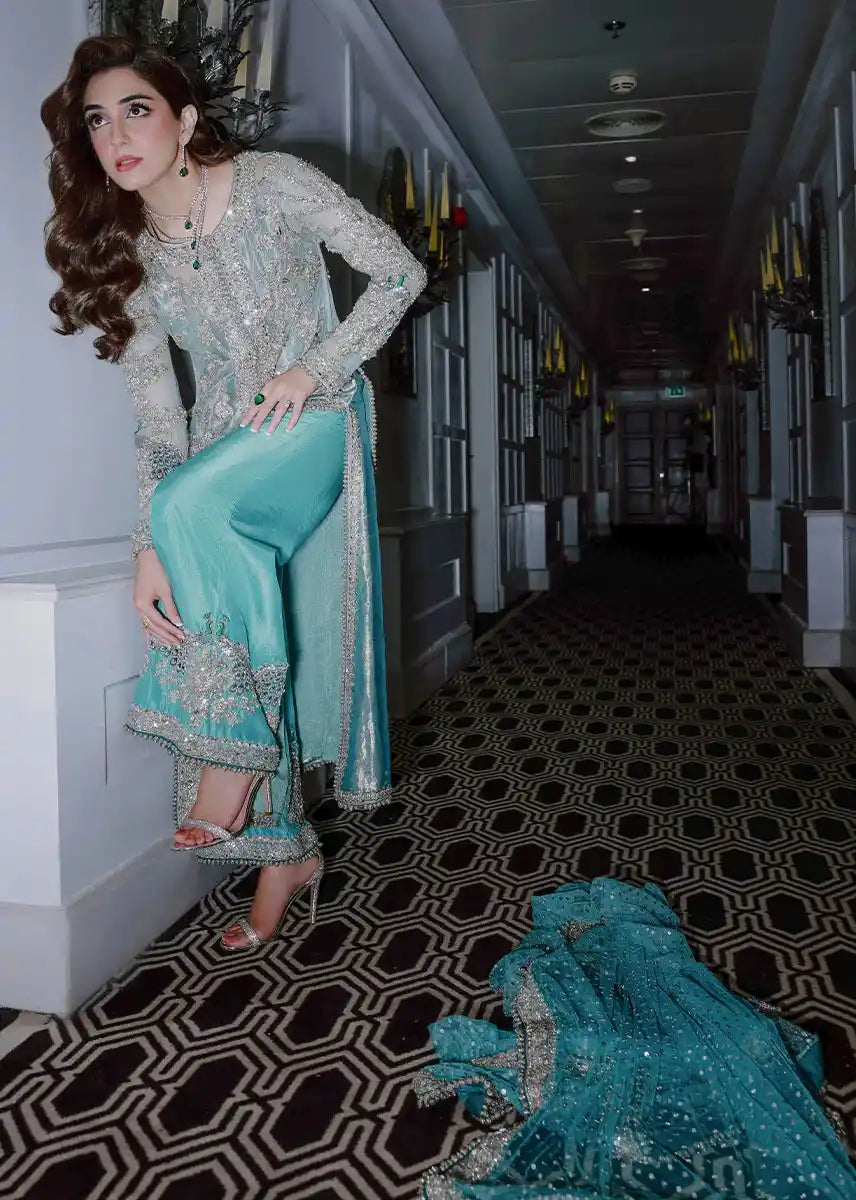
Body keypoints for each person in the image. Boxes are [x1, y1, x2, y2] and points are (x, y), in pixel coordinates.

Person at [41, 36, 426, 951]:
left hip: (317, 420)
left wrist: (314, 367)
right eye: (96, 121)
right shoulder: (131, 255)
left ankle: (232, 763)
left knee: (192, 510)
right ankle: (284, 853)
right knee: (245, 605)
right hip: (221, 460)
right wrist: (148, 548)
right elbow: (157, 420)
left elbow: (400, 272)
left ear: (185, 120)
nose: (115, 135)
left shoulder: (274, 182)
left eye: (136, 110)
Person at [414, 877, 856, 1198]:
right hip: (653, 1011)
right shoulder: (578, 960)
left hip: (657, 1007)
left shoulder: (574, 958)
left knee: (641, 1061)